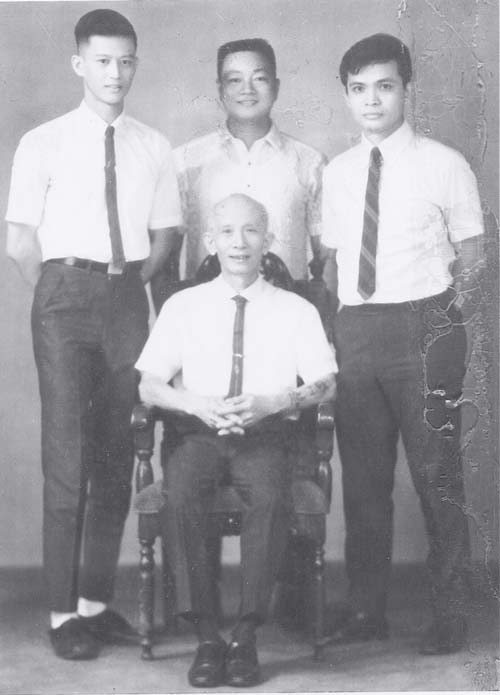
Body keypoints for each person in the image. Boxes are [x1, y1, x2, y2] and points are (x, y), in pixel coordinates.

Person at [5, 9, 182, 660]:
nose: (116, 72)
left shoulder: (152, 145)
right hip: (64, 297)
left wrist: (121, 289)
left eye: (126, 60)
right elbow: (20, 239)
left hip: (125, 298)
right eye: (103, 60)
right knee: (68, 456)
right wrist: (64, 290)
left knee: (115, 455)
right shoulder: (43, 142)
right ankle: (60, 613)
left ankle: (94, 602)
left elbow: (166, 236)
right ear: (79, 63)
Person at [321, 33, 484, 655]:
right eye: (359, 89)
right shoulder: (337, 174)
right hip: (358, 329)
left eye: (384, 86)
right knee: (363, 481)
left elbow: (471, 254)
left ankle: (449, 613)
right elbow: (336, 262)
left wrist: (440, 319)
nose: (372, 100)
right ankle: (367, 611)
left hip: (424, 327)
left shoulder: (444, 163)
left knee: (437, 476)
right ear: (346, 96)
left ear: (405, 89)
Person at [136, 193, 336, 687]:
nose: (239, 242)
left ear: (267, 241)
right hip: (198, 435)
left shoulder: (296, 309)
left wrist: (274, 403)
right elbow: (149, 385)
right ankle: (207, 637)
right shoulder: (182, 305)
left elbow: (326, 384)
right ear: (211, 241)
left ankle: (245, 637)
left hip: (265, 437)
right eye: (227, 231)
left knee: (270, 497)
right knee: (180, 494)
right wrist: (195, 404)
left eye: (250, 231)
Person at [169, 37, 326, 285]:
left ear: (276, 87)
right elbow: (168, 256)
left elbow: (326, 257)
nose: (247, 90)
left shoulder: (310, 163)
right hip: (206, 313)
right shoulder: (185, 162)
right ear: (220, 89)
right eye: (234, 80)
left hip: (288, 311)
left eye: (259, 78)